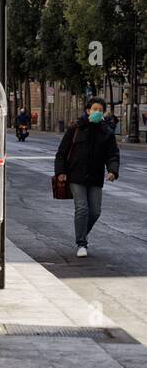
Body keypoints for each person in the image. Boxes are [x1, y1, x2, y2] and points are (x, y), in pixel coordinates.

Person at [55, 97, 120, 259]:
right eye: (95, 109)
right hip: (75, 175)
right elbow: (61, 152)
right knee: (82, 208)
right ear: (88, 111)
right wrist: (61, 172)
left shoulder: (107, 133)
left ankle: (82, 233)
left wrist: (112, 171)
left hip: (96, 176)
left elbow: (113, 154)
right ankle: (81, 243)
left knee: (96, 211)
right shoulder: (75, 128)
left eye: (100, 110)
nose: (98, 112)